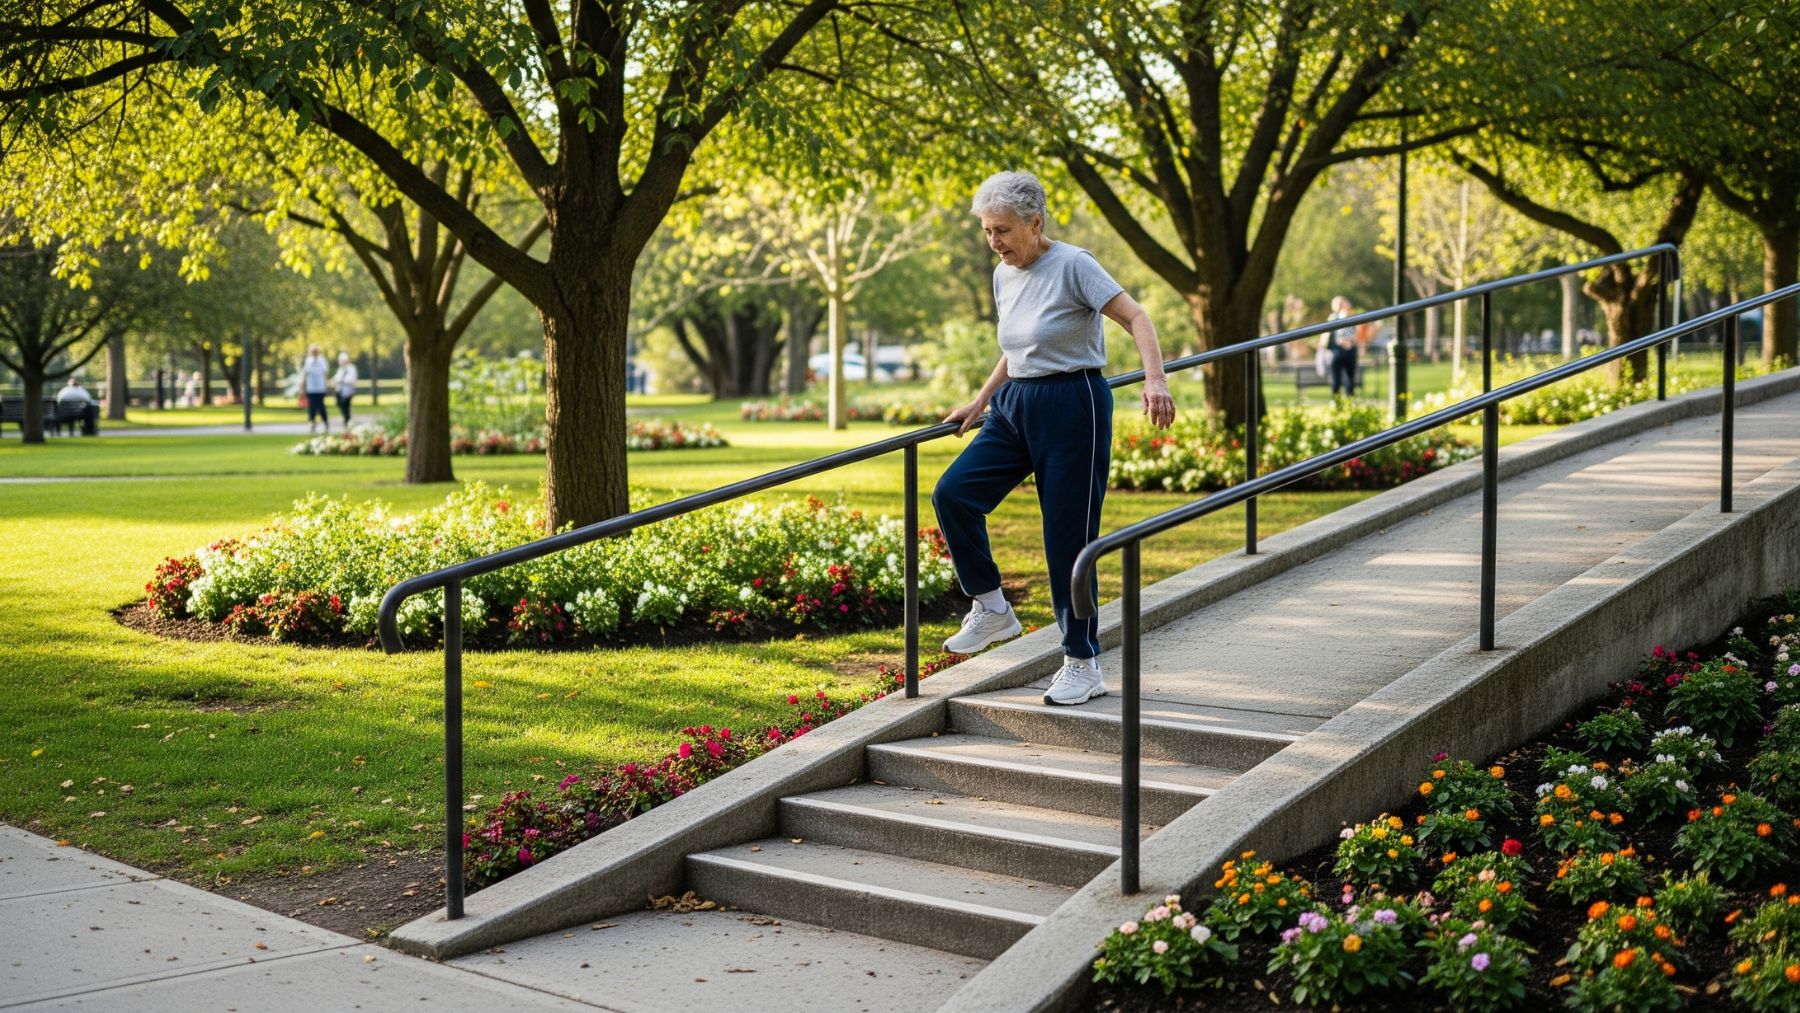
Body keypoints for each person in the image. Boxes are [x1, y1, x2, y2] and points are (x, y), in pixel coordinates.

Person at [934, 170, 1176, 707]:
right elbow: (1018, 345)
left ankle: (1081, 662)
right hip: (1015, 404)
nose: (994, 242)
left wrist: (1155, 381)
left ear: (1035, 222)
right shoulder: (1004, 274)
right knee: (954, 494)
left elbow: (1137, 317)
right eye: (987, 231)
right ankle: (993, 608)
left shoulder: (1074, 264)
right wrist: (980, 399)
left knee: (1067, 539)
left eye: (1002, 231)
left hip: (1075, 404)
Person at [1319, 295, 1358, 396]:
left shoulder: (1352, 316)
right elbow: (1332, 336)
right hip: (1337, 351)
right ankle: (1336, 399)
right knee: (1336, 378)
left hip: (1350, 350)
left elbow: (1355, 334)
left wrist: (1350, 343)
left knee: (1350, 377)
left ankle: (1349, 398)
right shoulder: (1334, 317)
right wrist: (1343, 342)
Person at [301, 345, 330, 433]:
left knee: (321, 406)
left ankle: (325, 422)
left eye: (315, 351)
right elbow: (305, 374)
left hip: (320, 388)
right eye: (312, 351)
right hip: (311, 388)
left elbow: (325, 374)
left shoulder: (322, 361)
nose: (314, 353)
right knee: (311, 407)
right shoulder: (308, 361)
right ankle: (312, 423)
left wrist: (326, 386)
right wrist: (302, 387)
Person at [331, 352, 358, 425]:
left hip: (348, 391)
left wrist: (342, 380)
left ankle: (347, 419)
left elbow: (351, 379)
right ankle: (346, 418)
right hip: (340, 391)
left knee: (345, 405)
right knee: (340, 404)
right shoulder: (340, 369)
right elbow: (336, 378)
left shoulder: (351, 368)